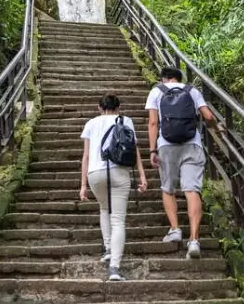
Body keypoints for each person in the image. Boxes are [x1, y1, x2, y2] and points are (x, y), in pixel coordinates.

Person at [146, 66, 220, 259]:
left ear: (164, 79)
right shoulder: (192, 91)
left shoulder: (156, 91)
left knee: (168, 188)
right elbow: (208, 116)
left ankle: (175, 229)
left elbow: (153, 123)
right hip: (192, 144)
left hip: (166, 145)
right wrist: (217, 128)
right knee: (192, 190)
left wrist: (152, 149)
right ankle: (194, 240)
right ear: (179, 78)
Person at [80, 94, 148, 281]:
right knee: (118, 219)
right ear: (118, 108)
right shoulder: (126, 120)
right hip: (119, 172)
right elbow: (134, 151)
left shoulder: (91, 123)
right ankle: (114, 269)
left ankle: (108, 248)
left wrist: (83, 185)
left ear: (99, 107)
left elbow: (85, 156)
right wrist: (142, 175)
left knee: (104, 208)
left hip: (95, 173)